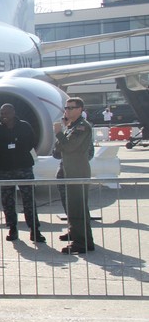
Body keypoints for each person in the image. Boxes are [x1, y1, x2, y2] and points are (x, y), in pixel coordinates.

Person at [0, 104, 46, 243]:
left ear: (14, 112)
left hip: (23, 167)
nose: (4, 115)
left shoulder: (24, 127)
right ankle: (12, 228)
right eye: (2, 113)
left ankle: (34, 229)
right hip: (4, 168)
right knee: (7, 201)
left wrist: (16, 149)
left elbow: (31, 142)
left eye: (7, 112)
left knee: (29, 199)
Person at [53, 97, 95, 254]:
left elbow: (69, 147)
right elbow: (59, 149)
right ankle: (84, 240)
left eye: (71, 108)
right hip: (69, 170)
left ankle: (81, 243)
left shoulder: (82, 127)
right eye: (66, 107)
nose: (67, 110)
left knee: (78, 208)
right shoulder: (71, 126)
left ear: (80, 109)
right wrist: (62, 132)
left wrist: (58, 133)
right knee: (73, 207)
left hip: (77, 171)